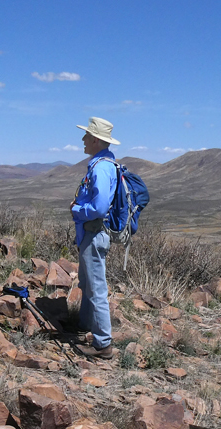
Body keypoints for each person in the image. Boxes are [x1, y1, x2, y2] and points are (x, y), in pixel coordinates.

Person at [70, 116, 120, 357]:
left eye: (87, 136)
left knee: (96, 288)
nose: (83, 139)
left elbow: (99, 208)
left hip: (94, 232)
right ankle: (85, 326)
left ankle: (103, 344)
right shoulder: (102, 164)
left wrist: (77, 210)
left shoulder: (101, 168)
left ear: (97, 141)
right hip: (92, 233)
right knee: (88, 283)